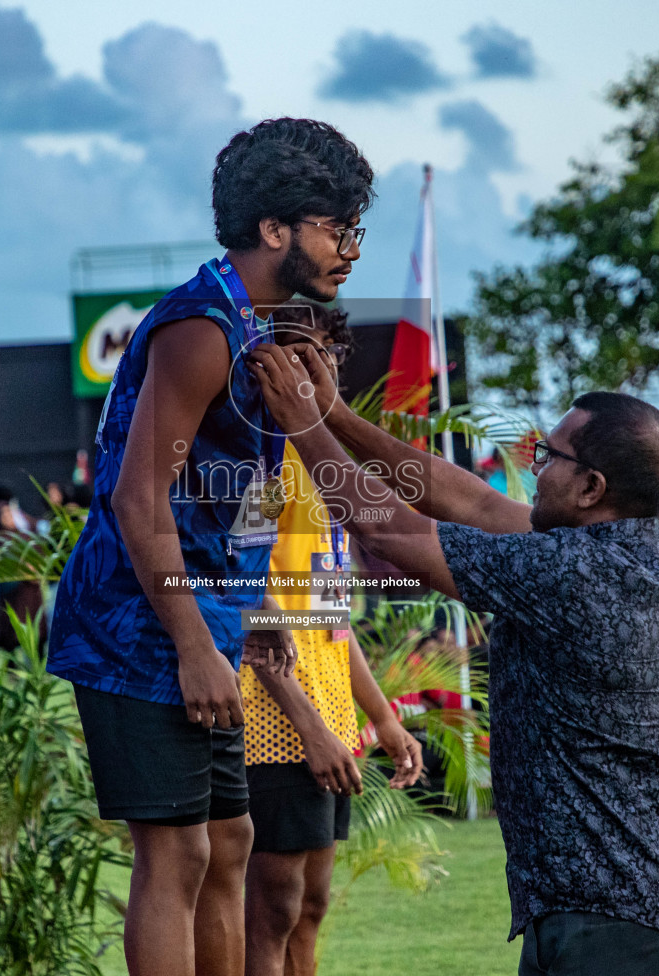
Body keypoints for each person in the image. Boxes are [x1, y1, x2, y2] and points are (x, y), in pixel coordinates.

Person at [249, 350, 659, 976]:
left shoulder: (565, 571)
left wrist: (302, 425)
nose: (534, 468)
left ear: (592, 489)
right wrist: (337, 415)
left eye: (550, 457)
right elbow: (472, 503)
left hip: (609, 912)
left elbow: (392, 533)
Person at [46, 118, 374, 976]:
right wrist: (195, 644)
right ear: (275, 230)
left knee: (230, 841)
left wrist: (247, 613)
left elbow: (255, 489)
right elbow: (136, 493)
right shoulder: (203, 329)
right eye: (337, 228)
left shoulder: (261, 327)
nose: (350, 249)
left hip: (210, 621)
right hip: (139, 629)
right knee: (180, 855)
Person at [240, 303, 424, 976]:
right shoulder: (259, 462)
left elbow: (330, 617)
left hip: (331, 712)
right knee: (273, 908)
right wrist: (308, 725)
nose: (313, 369)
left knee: (312, 904)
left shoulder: (330, 465)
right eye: (297, 354)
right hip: (272, 713)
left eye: (324, 356)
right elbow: (242, 590)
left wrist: (381, 716)